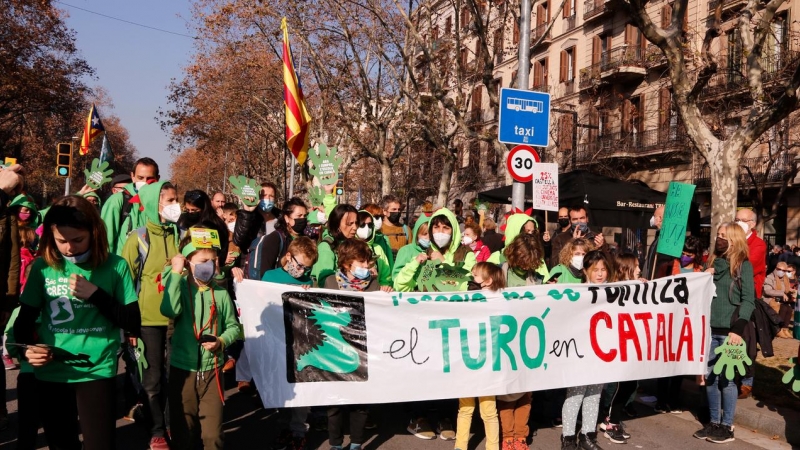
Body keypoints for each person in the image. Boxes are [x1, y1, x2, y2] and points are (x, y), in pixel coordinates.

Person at [14, 195, 141, 450]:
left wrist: (96, 295)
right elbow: (24, 322)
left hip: (96, 369)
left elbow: (133, 323)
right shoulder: (42, 267)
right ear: (51, 236)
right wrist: (27, 350)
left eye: (78, 240)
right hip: (52, 371)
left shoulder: (115, 266)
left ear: (94, 233)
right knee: (61, 444)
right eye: (61, 241)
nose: (69, 248)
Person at [162, 235, 240, 450]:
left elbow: (234, 327)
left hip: (212, 371)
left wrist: (221, 341)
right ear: (188, 262)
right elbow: (168, 309)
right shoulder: (179, 287)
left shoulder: (221, 293)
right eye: (203, 261)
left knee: (212, 436)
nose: (210, 266)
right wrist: (176, 275)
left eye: (213, 260)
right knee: (184, 433)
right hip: (182, 370)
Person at [120, 181, 180, 450]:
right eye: (169, 201)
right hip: (148, 321)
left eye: (175, 199)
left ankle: (173, 424)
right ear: (156, 204)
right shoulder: (138, 238)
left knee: (177, 376)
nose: (174, 206)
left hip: (177, 317)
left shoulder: (179, 234)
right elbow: (123, 283)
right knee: (153, 379)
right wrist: (129, 327)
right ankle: (157, 430)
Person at [251, 236, 318, 449]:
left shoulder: (309, 281)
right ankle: (284, 428)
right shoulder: (271, 276)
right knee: (282, 389)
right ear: (288, 256)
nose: (303, 271)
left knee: (301, 389)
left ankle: (298, 431)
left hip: (299, 345)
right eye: (300, 265)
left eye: (308, 268)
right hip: (276, 341)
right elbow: (258, 303)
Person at [692, 223, 755, 444]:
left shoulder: (743, 266)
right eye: (717, 235)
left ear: (735, 240)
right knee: (710, 378)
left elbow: (749, 299)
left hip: (731, 334)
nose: (719, 239)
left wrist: (738, 329)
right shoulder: (713, 262)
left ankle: (727, 426)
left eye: (723, 236)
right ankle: (714, 422)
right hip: (709, 331)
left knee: (727, 381)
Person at [323, 239, 378, 450]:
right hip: (335, 350)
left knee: (359, 403)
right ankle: (335, 444)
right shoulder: (329, 282)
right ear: (347, 263)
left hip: (361, 351)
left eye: (367, 262)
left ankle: (356, 444)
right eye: (362, 262)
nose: (366, 267)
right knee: (334, 404)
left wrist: (385, 293)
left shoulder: (373, 284)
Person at [561, 250, 613, 450]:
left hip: (601, 354)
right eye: (595, 270)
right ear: (585, 271)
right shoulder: (577, 293)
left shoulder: (614, 290)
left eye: (603, 269)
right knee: (575, 395)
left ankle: (587, 436)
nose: (600, 274)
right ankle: (567, 438)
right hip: (579, 354)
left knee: (594, 395)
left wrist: (640, 285)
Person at [654, 236, 705, 414]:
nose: (685, 257)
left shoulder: (701, 272)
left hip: (687, 321)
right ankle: (661, 400)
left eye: (689, 254)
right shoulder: (668, 267)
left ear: (696, 255)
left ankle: (673, 400)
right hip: (668, 320)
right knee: (665, 361)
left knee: (680, 363)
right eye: (683, 253)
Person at [455, 262, 501, 450]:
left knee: (488, 410)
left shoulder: (500, 299)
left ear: (488, 281)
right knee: (465, 408)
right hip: (467, 359)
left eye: (475, 276)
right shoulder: (468, 296)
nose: (470, 279)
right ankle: (460, 446)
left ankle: (492, 447)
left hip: (488, 363)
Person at [599, 253, 642, 445]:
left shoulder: (638, 286)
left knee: (631, 385)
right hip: (617, 345)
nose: (640, 270)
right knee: (618, 385)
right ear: (626, 269)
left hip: (632, 344)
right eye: (637, 266)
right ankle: (610, 421)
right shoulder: (612, 289)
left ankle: (612, 418)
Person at [394, 208, 477, 292]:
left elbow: (468, 285)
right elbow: (401, 287)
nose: (440, 232)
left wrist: (444, 263)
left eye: (446, 228)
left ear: (453, 231)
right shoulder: (427, 256)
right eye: (436, 227)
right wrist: (414, 263)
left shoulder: (466, 254)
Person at [101, 157, 160, 255]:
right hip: (123, 266)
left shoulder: (161, 204)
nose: (145, 182)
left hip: (152, 268)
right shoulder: (117, 200)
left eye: (150, 179)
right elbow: (105, 240)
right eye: (140, 178)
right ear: (133, 177)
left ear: (157, 179)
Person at [488, 212, 549, 285]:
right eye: (527, 231)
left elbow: (544, 283)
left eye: (533, 231)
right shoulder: (495, 258)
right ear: (514, 231)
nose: (530, 235)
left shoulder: (535, 256)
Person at [312, 204, 359, 287]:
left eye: (356, 223)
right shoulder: (326, 247)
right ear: (337, 224)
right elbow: (325, 281)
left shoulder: (354, 245)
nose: (355, 227)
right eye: (349, 223)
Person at [231, 182, 280, 254]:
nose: (267, 199)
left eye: (271, 196)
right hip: (253, 261)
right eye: (264, 195)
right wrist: (247, 213)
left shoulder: (280, 218)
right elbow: (238, 241)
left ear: (275, 198)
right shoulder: (249, 216)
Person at [355, 210, 393, 290]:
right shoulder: (349, 247)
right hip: (355, 291)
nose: (367, 228)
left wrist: (383, 287)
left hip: (375, 293)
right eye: (362, 225)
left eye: (370, 225)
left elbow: (385, 275)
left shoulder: (378, 248)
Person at [392, 214, 430, 280]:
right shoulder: (406, 251)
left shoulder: (436, 251)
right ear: (416, 234)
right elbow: (396, 276)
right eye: (424, 234)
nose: (428, 238)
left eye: (431, 234)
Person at [763, 261, 795, 338]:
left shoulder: (785, 278)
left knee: (789, 308)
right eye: (779, 269)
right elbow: (767, 291)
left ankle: (785, 328)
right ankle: (778, 329)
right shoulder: (770, 277)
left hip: (779, 299)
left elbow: (785, 289)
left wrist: (791, 291)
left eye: (784, 270)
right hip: (770, 298)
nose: (781, 272)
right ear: (776, 268)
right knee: (783, 308)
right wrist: (781, 293)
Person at [642, 206, 673, 279]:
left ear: (660, 218)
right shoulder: (658, 236)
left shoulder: (667, 238)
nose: (652, 218)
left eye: (654, 216)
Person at [362, 203, 394, 269]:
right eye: (376, 217)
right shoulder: (353, 241)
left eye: (381, 217)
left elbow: (390, 264)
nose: (379, 220)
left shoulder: (384, 239)